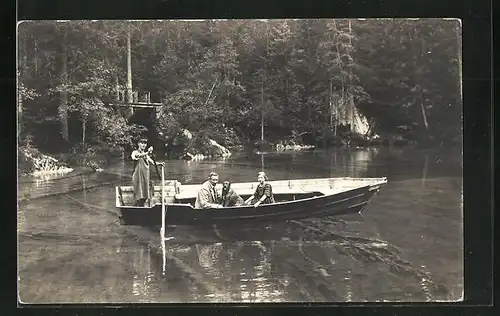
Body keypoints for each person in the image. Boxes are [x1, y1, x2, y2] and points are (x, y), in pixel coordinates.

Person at [131, 138, 155, 207]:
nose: (143, 145)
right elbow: (136, 156)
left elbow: (153, 162)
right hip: (137, 177)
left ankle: (141, 207)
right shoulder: (134, 152)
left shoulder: (146, 155)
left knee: (145, 196)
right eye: (142, 143)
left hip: (145, 177)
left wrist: (160, 164)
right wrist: (147, 152)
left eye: (145, 143)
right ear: (138, 144)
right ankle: (136, 208)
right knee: (138, 195)